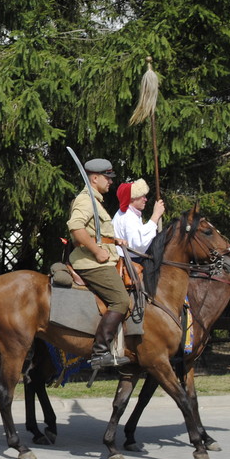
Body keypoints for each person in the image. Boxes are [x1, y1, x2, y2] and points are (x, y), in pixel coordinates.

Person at [67, 157, 131, 369]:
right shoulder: (86, 200)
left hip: (100, 259)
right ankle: (100, 352)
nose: (111, 182)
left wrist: (114, 241)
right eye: (107, 177)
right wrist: (97, 250)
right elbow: (76, 228)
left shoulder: (95, 201)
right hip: (91, 263)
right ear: (94, 178)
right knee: (121, 300)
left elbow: (95, 232)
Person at [113, 178, 165, 260]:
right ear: (133, 198)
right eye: (143, 196)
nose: (145, 199)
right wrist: (156, 215)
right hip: (130, 261)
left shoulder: (126, 213)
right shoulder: (128, 216)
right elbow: (139, 244)